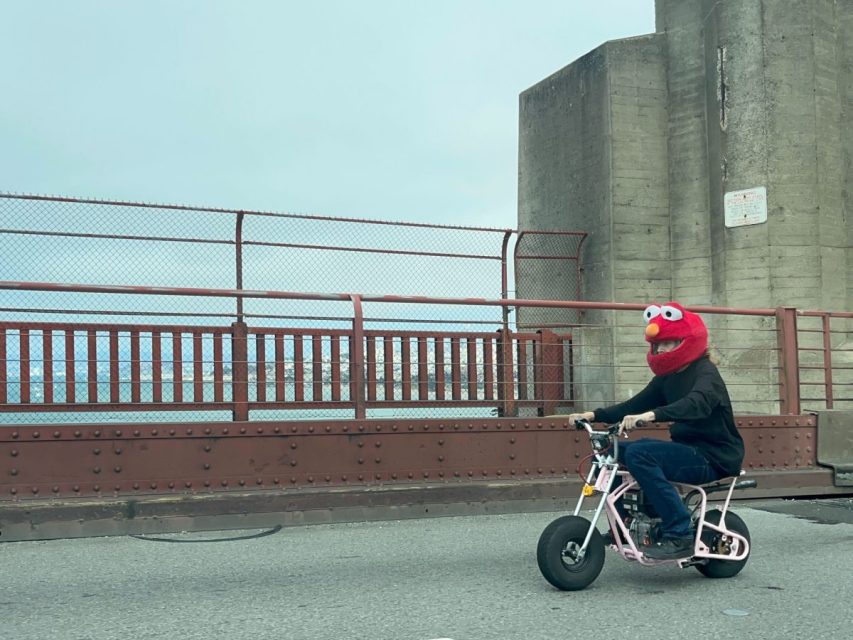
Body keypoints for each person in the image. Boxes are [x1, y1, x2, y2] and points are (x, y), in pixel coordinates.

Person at [566, 302, 745, 560]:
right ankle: (625, 522)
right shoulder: (667, 378)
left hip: (714, 456)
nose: (660, 348)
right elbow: (634, 404)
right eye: (657, 344)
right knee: (607, 453)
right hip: (688, 450)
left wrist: (653, 415)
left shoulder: (707, 374)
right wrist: (593, 415)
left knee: (640, 454)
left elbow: (696, 403)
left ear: (686, 341)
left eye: (668, 342)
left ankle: (680, 532)